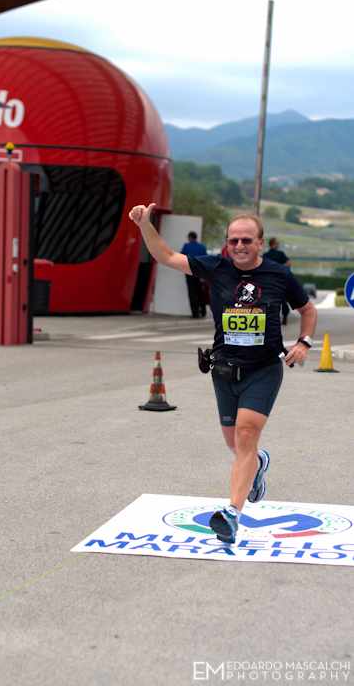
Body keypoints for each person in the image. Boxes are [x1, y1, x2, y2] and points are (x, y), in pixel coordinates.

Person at [128, 203, 317, 544]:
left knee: (245, 434)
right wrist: (145, 225)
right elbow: (167, 256)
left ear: (260, 243)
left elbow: (307, 309)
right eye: (234, 241)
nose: (240, 246)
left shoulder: (278, 275)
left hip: (264, 369)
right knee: (235, 443)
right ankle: (259, 464)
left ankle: (232, 514)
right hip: (224, 371)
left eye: (247, 240)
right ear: (226, 244)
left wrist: (303, 342)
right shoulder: (216, 268)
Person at [263, 238, 291, 325]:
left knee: (267, 299)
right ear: (274, 244)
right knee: (282, 299)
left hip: (267, 281)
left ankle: (268, 317)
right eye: (277, 243)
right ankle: (285, 316)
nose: (278, 244)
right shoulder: (280, 254)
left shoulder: (265, 255)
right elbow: (288, 263)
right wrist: (281, 269)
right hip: (279, 280)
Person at [180, 231, 207, 318]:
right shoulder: (202, 247)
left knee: (192, 293)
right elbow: (205, 259)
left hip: (189, 272)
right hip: (200, 272)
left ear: (190, 237)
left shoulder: (186, 246)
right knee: (200, 292)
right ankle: (203, 311)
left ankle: (195, 313)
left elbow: (181, 257)